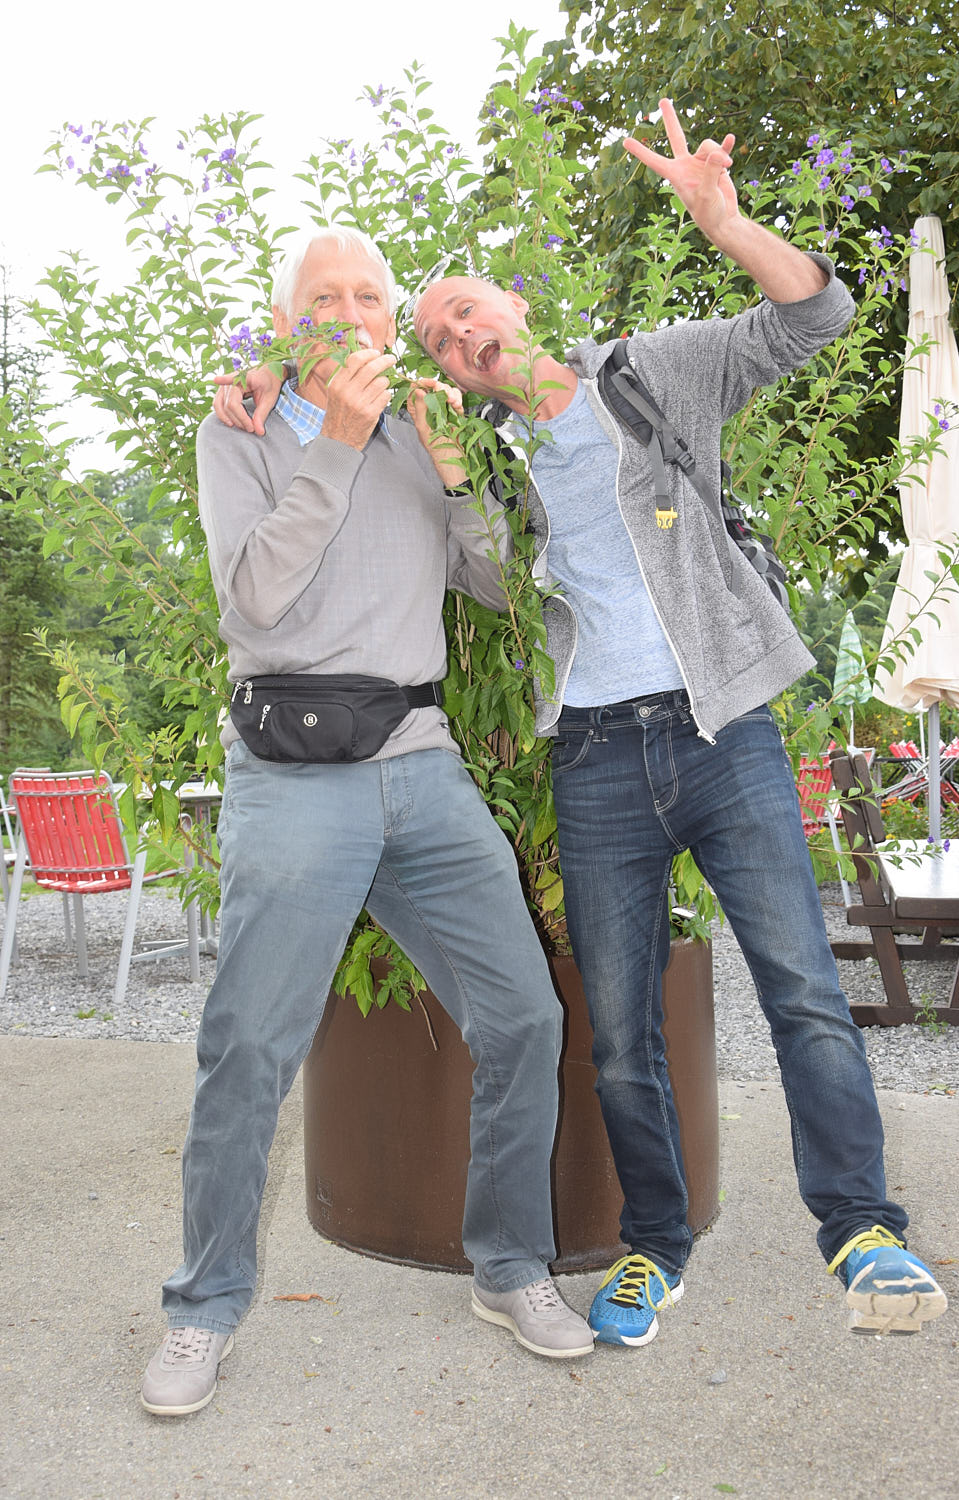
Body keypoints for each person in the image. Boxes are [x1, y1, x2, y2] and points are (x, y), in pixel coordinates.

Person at [216, 106, 950, 1348]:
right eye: (437, 336)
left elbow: (813, 317)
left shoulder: (645, 376)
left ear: (515, 306)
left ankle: (861, 1226)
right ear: (444, 371)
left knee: (803, 992)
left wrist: (726, 224)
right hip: (598, 754)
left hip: (723, 728)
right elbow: (486, 575)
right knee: (617, 1036)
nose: (458, 336)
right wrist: (275, 377)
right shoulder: (481, 456)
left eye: (467, 310)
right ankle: (653, 1246)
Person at [141, 226, 595, 1419]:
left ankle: (507, 1264)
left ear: (393, 321)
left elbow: (497, 585)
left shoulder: (420, 428)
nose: (348, 313)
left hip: (420, 761)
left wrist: (455, 478)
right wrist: (334, 442)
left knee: (525, 1017)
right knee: (249, 1047)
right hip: (292, 773)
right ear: (287, 321)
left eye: (368, 296)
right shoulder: (239, 430)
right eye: (324, 297)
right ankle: (203, 1306)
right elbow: (254, 601)